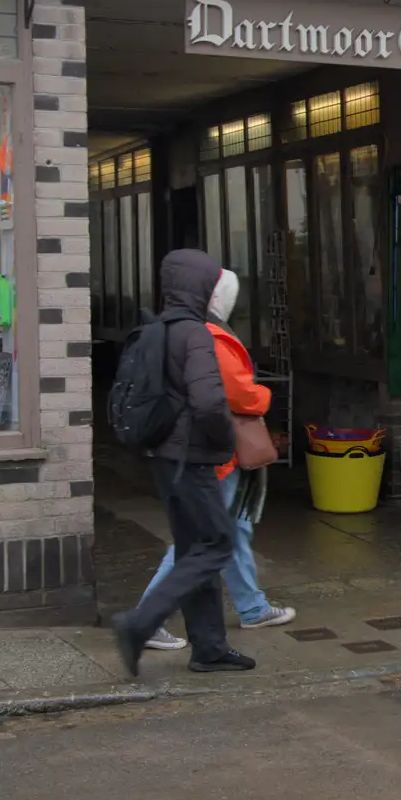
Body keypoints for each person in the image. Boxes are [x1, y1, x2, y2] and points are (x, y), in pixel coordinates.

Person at [112, 249, 256, 676]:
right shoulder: (194, 333)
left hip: (163, 456)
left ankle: (209, 647)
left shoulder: (156, 329)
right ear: (200, 287)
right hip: (190, 460)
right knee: (217, 545)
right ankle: (139, 624)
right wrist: (226, 439)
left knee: (196, 548)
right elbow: (211, 403)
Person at [141, 268, 296, 653]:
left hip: (203, 449)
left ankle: (252, 606)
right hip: (214, 454)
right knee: (198, 538)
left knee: (232, 530)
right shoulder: (211, 337)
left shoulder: (183, 331)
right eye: (229, 295)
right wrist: (262, 396)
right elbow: (237, 394)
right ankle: (149, 617)